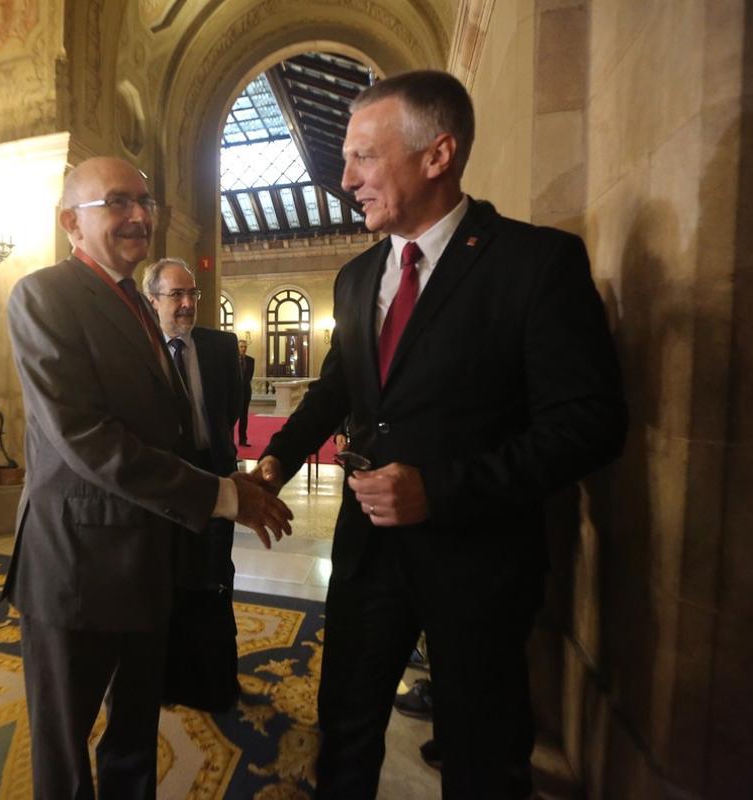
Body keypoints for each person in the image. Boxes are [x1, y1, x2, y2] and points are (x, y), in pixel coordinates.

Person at [253, 70, 626, 798]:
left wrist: (444, 489)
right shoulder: (358, 278)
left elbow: (589, 424)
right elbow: (339, 389)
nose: (345, 177)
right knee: (346, 730)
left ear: (437, 155)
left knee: (482, 755)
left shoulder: (534, 264)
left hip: (480, 563)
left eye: (364, 155)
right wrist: (273, 463)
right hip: (368, 557)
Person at [4, 156, 292, 799]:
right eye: (116, 202)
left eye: (145, 200)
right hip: (75, 563)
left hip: (147, 558)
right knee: (65, 744)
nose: (139, 215)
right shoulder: (43, 296)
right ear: (68, 222)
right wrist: (221, 496)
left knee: (134, 733)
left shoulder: (138, 299)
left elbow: (168, 428)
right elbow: (85, 438)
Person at [144, 257, 242, 708]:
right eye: (175, 295)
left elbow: (231, 408)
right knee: (168, 583)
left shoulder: (221, 348)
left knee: (216, 578)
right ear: (152, 300)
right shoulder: (139, 351)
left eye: (192, 294)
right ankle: (168, 682)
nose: (186, 304)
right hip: (164, 486)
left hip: (213, 476)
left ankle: (216, 683)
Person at [237, 340, 254, 445]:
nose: (243, 348)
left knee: (244, 416)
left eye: (245, 347)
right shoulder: (232, 360)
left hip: (246, 391)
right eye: (241, 346)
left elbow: (249, 377)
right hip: (234, 392)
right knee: (232, 417)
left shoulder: (251, 360)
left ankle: (243, 439)